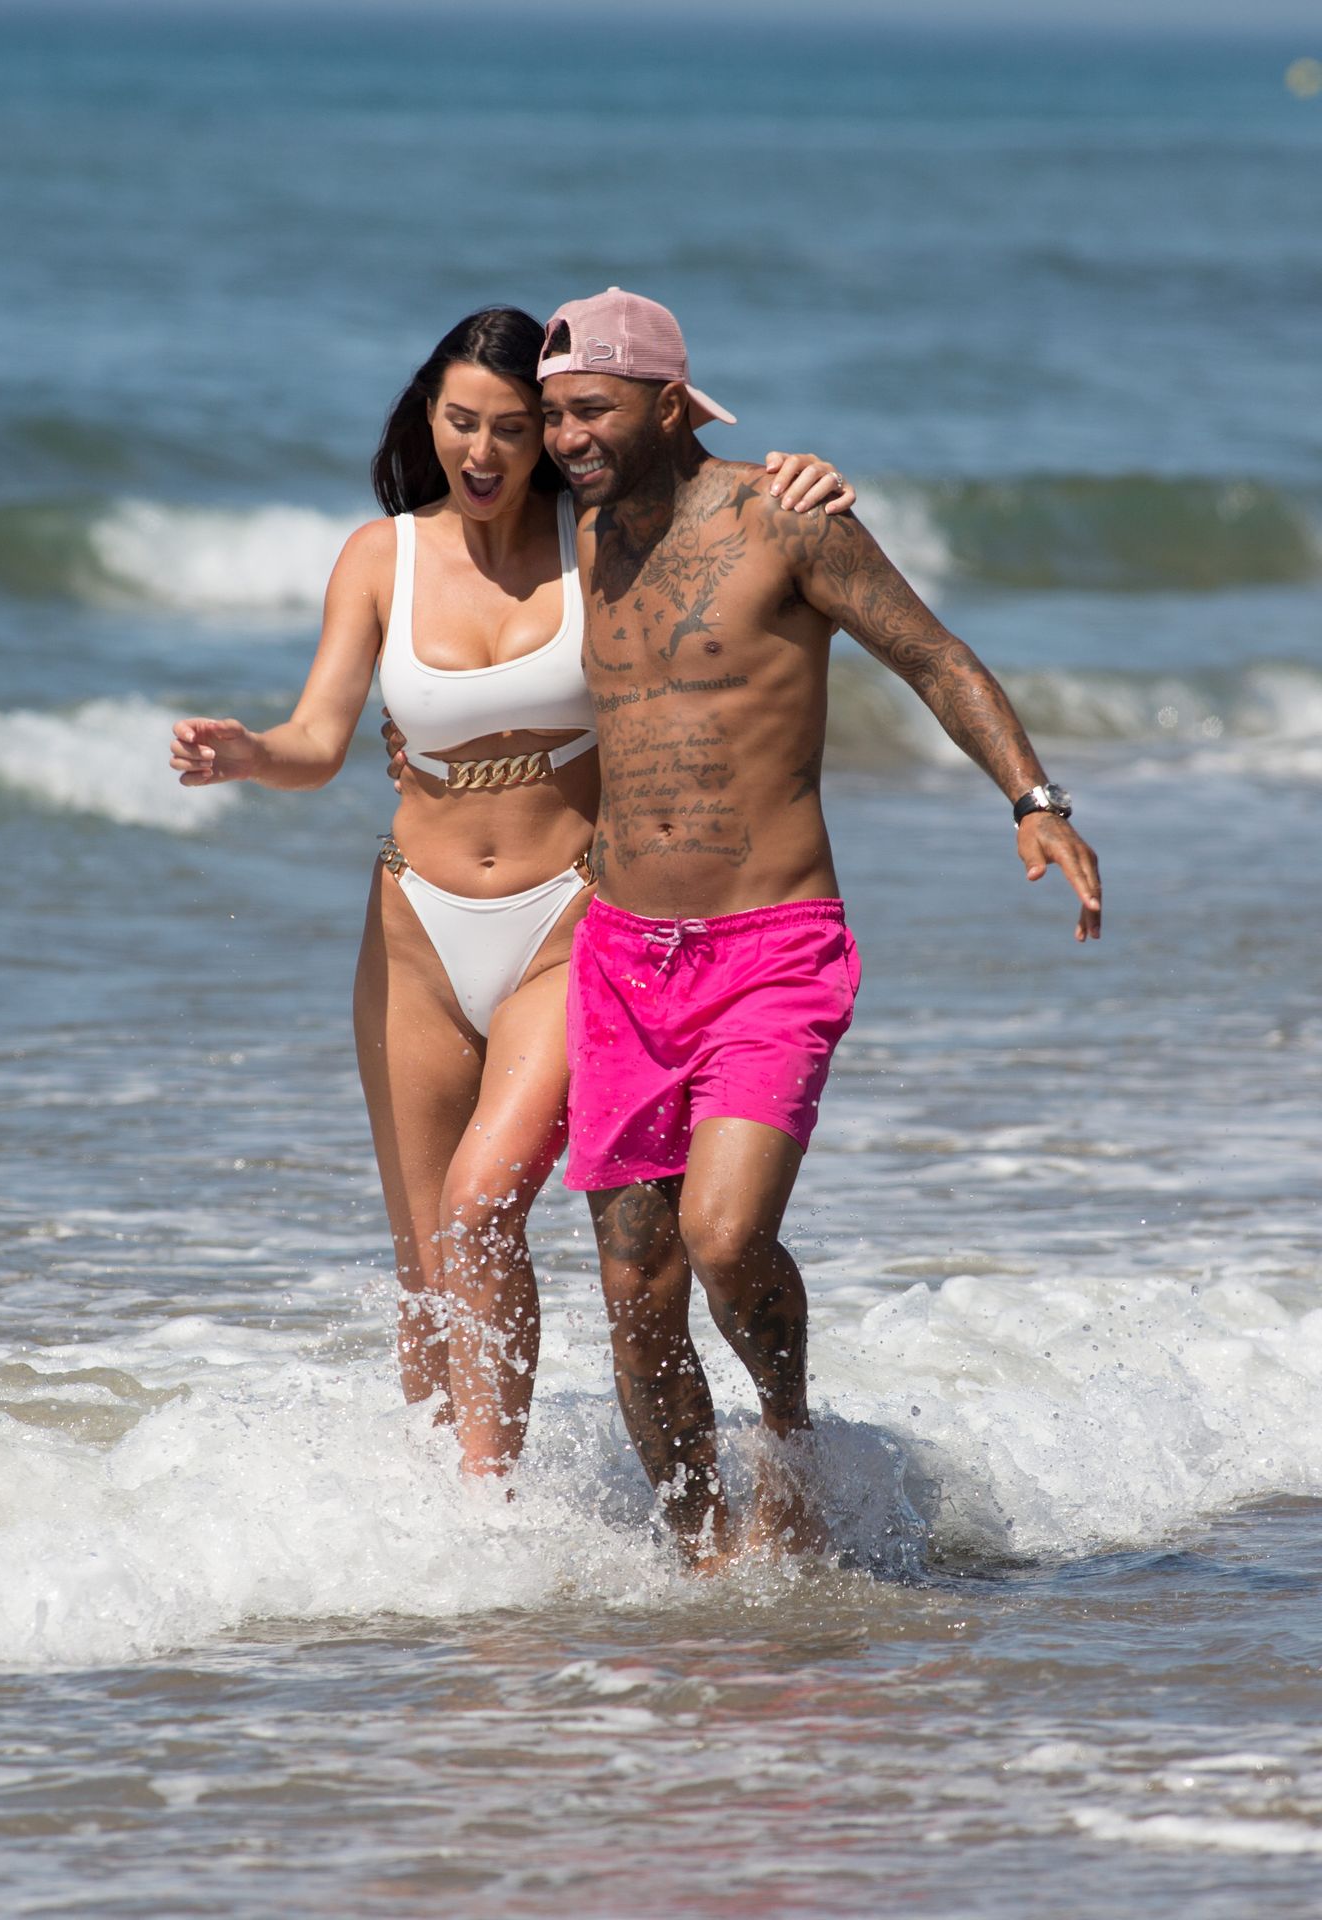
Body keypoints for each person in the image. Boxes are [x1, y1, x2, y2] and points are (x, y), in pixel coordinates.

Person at [169, 304, 854, 1479]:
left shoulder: (601, 541)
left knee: (480, 1206)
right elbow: (318, 740)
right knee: (426, 1264)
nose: (480, 452)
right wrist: (249, 754)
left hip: (566, 918)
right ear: (425, 419)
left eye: (509, 428)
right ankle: (458, 1524)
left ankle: (504, 1503)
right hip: (416, 930)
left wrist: (804, 479)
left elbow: (718, 534)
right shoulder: (378, 557)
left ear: (546, 436)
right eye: (458, 422)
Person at [535, 287, 1103, 1564]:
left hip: (769, 948)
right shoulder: (576, 524)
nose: (565, 437)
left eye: (591, 411)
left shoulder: (787, 517)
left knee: (723, 1237)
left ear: (669, 405)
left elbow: (934, 657)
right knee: (632, 1289)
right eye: (553, 415)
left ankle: (789, 1437)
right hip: (620, 955)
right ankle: (702, 1563)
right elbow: (448, 479)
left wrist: (1034, 803)